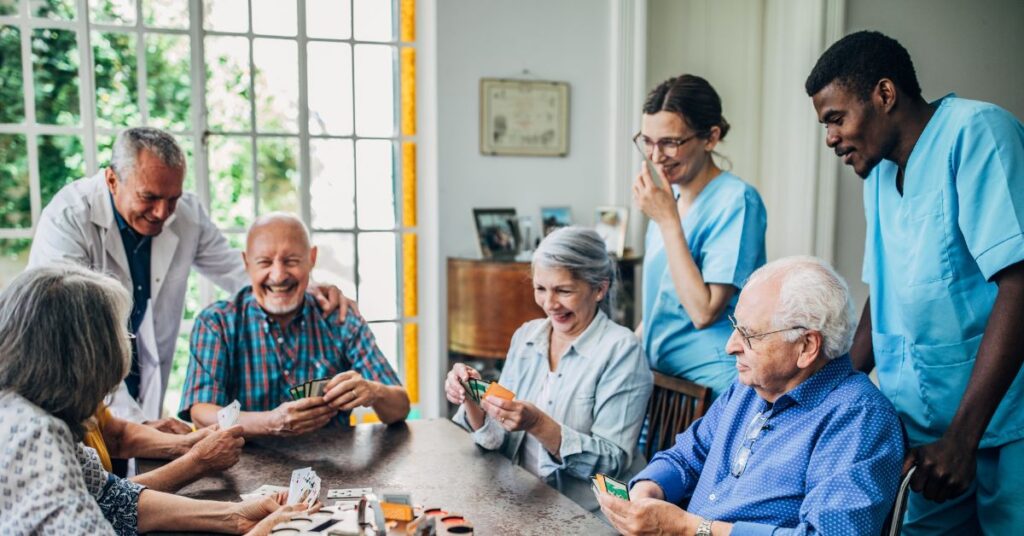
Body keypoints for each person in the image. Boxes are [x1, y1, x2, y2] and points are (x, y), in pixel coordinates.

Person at [806, 30, 1024, 534]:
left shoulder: (977, 132)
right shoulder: (880, 175)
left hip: (1002, 427)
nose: (830, 138)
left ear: (885, 94)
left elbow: (1019, 283)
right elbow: (880, 295)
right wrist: (825, 393)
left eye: (836, 118)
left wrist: (964, 438)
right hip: (924, 435)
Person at [27, 127, 349, 425]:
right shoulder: (68, 219)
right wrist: (135, 427)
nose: (162, 213)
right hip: (71, 385)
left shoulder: (186, 214)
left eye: (173, 199)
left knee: (136, 477)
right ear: (112, 180)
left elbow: (239, 271)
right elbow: (74, 337)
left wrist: (313, 289)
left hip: (139, 376)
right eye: (149, 197)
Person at [599, 256, 905, 535]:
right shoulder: (749, 387)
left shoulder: (858, 417)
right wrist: (646, 493)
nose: (731, 346)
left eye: (750, 334)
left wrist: (690, 528)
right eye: (736, 327)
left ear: (807, 346)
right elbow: (686, 457)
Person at [0, 264, 311, 535]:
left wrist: (235, 516)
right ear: (87, 359)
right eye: (119, 338)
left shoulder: (33, 414)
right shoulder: (33, 434)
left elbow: (112, 498)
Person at [446, 226, 653, 512]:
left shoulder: (621, 351)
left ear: (599, 289)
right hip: (523, 498)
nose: (549, 304)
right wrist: (472, 398)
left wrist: (538, 424)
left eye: (563, 291)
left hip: (587, 513)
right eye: (540, 289)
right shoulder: (527, 337)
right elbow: (495, 440)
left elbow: (612, 466)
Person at [179, 213, 410, 435]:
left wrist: (374, 391)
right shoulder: (216, 323)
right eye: (265, 262)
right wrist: (269, 422)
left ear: (312, 259)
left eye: (291, 261)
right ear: (246, 263)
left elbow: (400, 408)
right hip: (240, 463)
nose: (278, 275)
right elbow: (201, 413)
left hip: (333, 467)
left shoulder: (340, 318)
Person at [633, 74, 767, 400]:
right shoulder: (670, 201)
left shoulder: (736, 200)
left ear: (710, 138)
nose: (655, 156)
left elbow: (704, 311)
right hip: (661, 382)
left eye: (670, 142)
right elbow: (660, 304)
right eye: (647, 141)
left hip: (711, 387)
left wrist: (667, 221)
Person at [84, 403, 244, 492]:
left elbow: (117, 436)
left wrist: (185, 443)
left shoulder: (86, 396)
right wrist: (197, 462)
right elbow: (107, 497)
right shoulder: (59, 433)